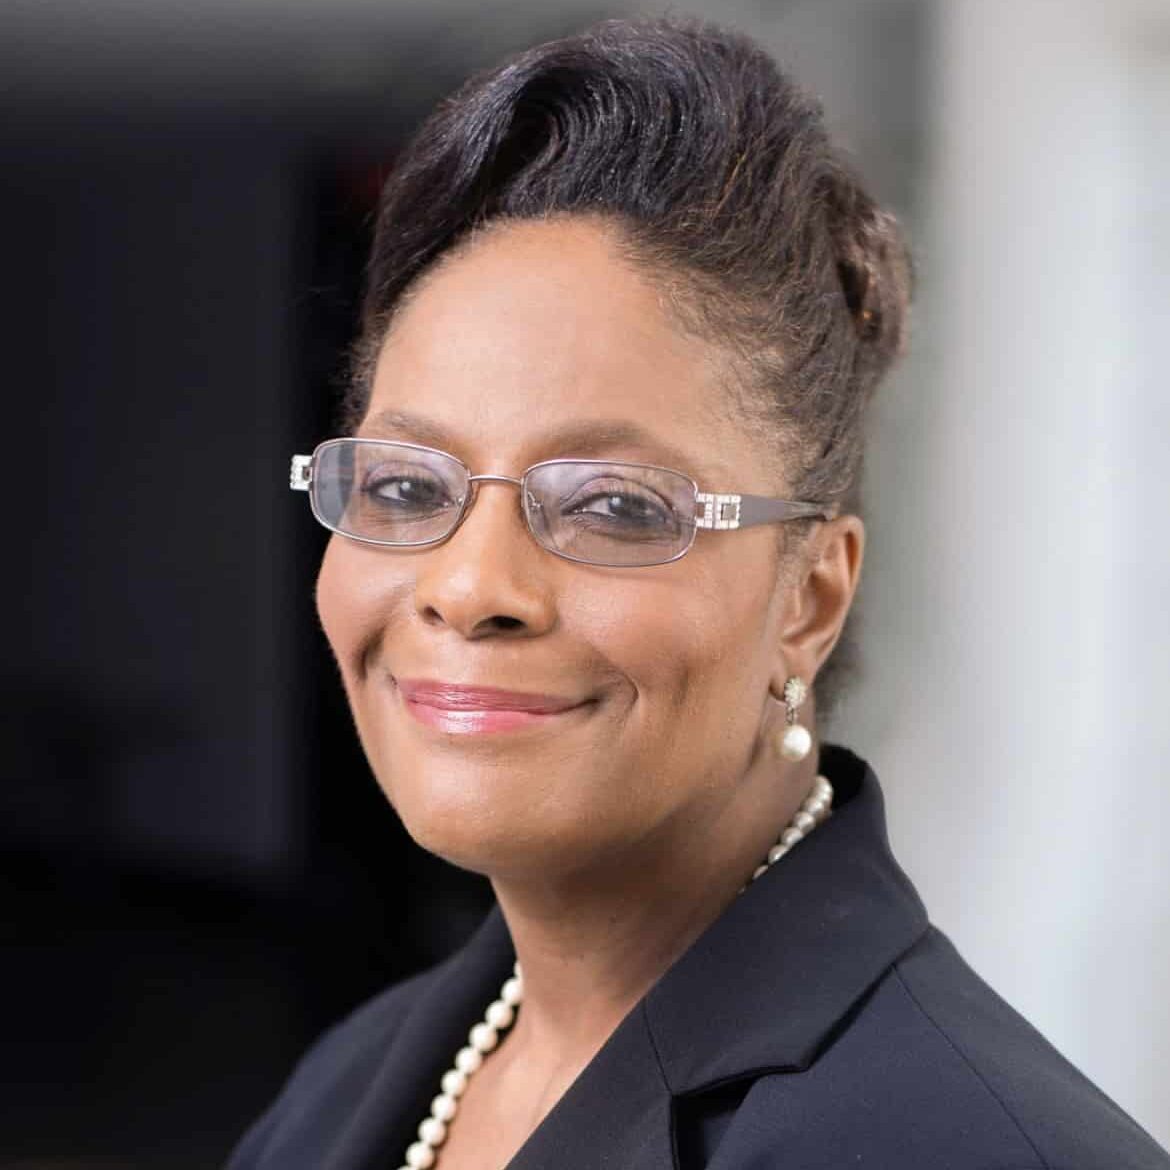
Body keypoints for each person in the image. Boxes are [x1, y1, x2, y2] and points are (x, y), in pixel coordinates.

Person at [227, 17, 1169, 1170]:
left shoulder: (972, 1146)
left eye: (617, 506)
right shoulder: (354, 1082)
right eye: (408, 484)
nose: (471, 585)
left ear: (809, 602)